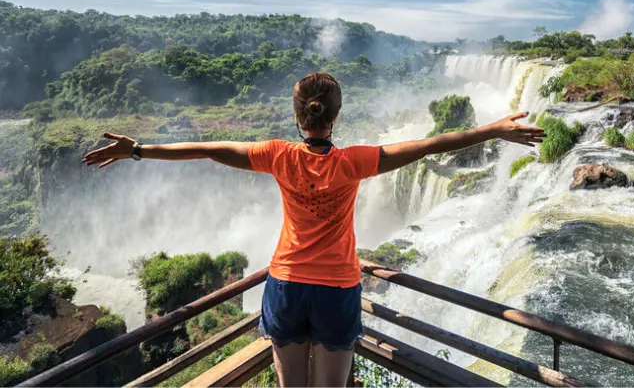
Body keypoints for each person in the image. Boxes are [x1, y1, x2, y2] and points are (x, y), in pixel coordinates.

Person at [82, 72, 545, 387]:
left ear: (298, 116)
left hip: (284, 284)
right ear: (334, 117)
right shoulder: (355, 161)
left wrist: (139, 150)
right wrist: (491, 132)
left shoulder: (277, 155)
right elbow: (427, 146)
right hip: (337, 288)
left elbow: (206, 149)